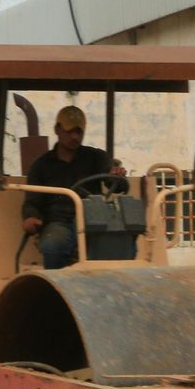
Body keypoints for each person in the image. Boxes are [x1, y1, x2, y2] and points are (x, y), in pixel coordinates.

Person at [20, 104, 125, 269]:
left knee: (113, 241)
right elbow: (32, 200)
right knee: (52, 244)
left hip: (93, 219)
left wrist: (116, 175)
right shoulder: (41, 165)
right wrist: (30, 217)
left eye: (79, 132)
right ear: (57, 129)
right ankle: (58, 288)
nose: (75, 137)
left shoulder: (96, 157)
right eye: (70, 131)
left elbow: (117, 185)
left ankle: (103, 284)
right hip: (58, 221)